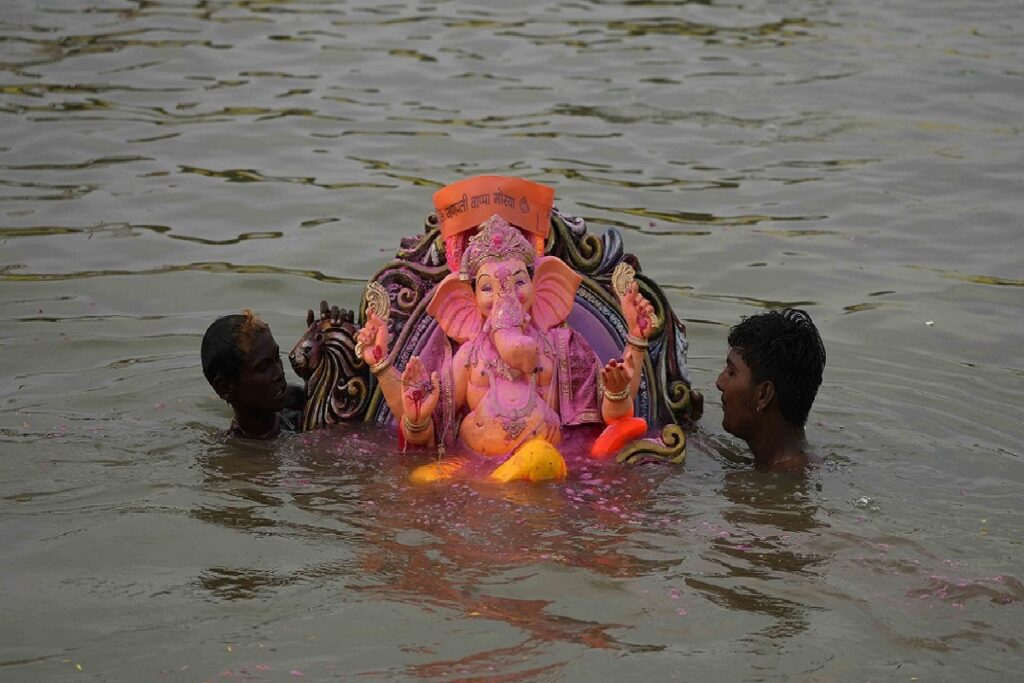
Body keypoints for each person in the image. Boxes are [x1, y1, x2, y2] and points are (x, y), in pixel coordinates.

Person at [715, 308, 826, 470]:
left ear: (763, 395)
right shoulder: (787, 466)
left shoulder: (780, 486)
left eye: (731, 372)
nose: (719, 382)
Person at [201, 309, 303, 440]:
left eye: (277, 357)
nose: (279, 373)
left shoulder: (300, 402)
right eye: (263, 367)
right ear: (226, 388)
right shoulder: (233, 455)